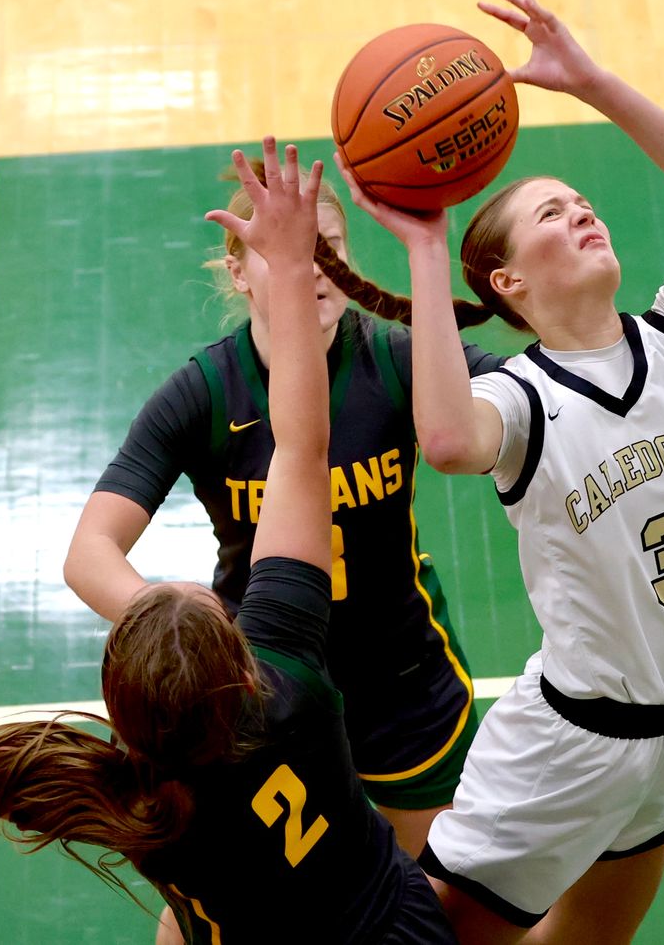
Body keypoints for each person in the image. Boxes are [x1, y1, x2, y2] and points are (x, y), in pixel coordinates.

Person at [0, 138, 458, 945]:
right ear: (240, 661)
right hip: (392, 929)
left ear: (125, 716)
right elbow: (302, 448)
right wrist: (291, 268)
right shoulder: (294, 680)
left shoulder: (133, 798)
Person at [331, 0, 664, 945]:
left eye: (582, 201)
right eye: (551, 216)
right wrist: (428, 249)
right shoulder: (517, 401)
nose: (581, 213)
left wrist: (592, 82)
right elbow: (444, 441)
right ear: (511, 280)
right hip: (569, 746)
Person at [64, 150, 507, 859]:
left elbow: (537, 397)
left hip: (401, 684)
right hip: (256, 685)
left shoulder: (397, 358)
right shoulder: (205, 392)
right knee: (224, 903)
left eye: (327, 248)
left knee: (425, 892)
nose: (314, 267)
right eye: (288, 251)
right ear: (240, 272)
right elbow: (88, 556)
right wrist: (185, 628)